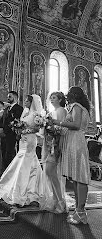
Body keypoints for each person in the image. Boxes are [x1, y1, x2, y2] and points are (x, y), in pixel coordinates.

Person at [0, 94, 44, 207]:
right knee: (25, 161)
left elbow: (37, 128)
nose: (25, 102)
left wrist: (24, 130)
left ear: (32, 102)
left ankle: (26, 192)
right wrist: (18, 128)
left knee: (26, 161)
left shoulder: (36, 115)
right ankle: (23, 188)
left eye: (27, 101)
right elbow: (21, 124)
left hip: (30, 140)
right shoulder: (25, 113)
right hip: (22, 140)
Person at [52, 86, 91, 224]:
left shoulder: (76, 106)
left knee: (80, 177)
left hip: (76, 142)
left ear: (74, 95)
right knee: (76, 177)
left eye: (69, 93)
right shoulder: (81, 107)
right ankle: (79, 211)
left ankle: (81, 211)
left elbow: (76, 124)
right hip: (76, 141)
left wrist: (58, 122)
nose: (68, 96)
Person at [41, 91, 67, 213]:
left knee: (50, 172)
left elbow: (62, 129)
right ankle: (56, 200)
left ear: (60, 100)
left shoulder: (62, 111)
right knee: (49, 172)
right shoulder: (51, 113)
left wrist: (58, 145)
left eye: (54, 98)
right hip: (49, 143)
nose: (51, 100)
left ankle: (60, 203)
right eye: (50, 98)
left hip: (56, 145)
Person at [0, 91, 23, 168]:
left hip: (12, 136)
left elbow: (18, 122)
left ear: (15, 98)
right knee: (3, 154)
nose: (8, 98)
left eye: (10, 96)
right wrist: (1, 128)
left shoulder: (19, 108)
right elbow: (2, 120)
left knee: (9, 155)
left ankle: (9, 173)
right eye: (8, 96)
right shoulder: (6, 108)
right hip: (4, 135)